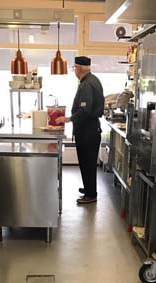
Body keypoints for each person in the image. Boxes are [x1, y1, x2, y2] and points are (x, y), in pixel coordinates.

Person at [57, 56, 105, 205]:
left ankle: (91, 194)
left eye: (75, 68)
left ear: (80, 68)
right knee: (87, 162)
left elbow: (85, 110)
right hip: (90, 129)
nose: (74, 71)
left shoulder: (86, 85)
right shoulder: (92, 80)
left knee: (87, 162)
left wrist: (68, 119)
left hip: (87, 131)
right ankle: (88, 188)